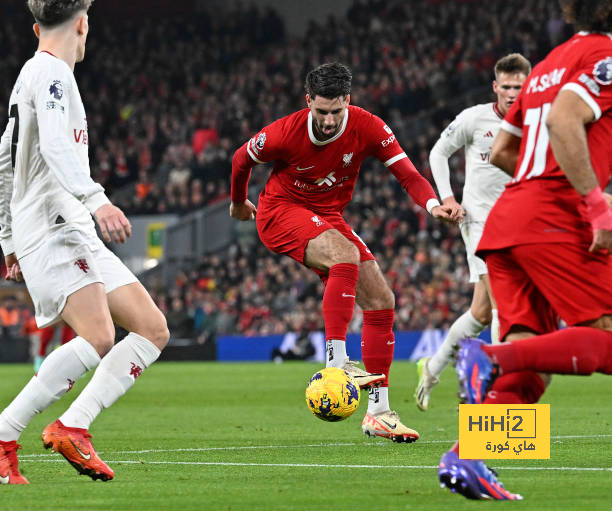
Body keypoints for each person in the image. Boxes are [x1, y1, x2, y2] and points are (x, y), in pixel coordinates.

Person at [230, 62, 462, 442]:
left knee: (381, 300)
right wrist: (239, 202)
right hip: (279, 212)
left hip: (327, 216)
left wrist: (433, 205)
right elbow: (241, 159)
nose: (328, 120)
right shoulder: (284, 132)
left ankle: (379, 413)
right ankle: (336, 363)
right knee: (344, 256)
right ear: (308, 102)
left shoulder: (367, 125)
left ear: (347, 102)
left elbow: (406, 172)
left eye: (336, 111)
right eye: (321, 112)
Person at [438, 0, 612, 500]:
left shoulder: (549, 65)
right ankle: (485, 355)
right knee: (604, 335)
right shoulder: (604, 58)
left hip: (509, 219)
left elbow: (506, 152)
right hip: (553, 220)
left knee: (530, 362)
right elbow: (564, 120)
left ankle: (466, 459)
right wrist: (593, 202)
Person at [0, 0, 169, 485]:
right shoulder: (52, 75)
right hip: (55, 225)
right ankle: (5, 434)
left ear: (37, 27)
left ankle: (73, 425)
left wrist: (7, 239)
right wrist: (98, 201)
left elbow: (4, 162)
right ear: (82, 24)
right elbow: (54, 149)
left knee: (152, 329)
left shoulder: (32, 75)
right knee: (98, 336)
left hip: (66, 225)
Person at [415, 54, 531, 411]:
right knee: (503, 304)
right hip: (479, 219)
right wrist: (447, 198)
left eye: (518, 86)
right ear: (496, 87)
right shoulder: (473, 118)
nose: (512, 93)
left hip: (519, 223)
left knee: (481, 312)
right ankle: (502, 393)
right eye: (506, 86)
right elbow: (438, 153)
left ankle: (431, 369)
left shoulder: (538, 121)